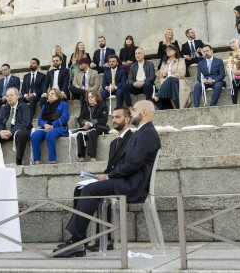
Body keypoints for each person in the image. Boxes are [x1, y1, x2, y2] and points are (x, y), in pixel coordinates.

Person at [56, 101, 161, 257]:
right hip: (128, 181)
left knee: (90, 189)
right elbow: (129, 162)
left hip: (133, 185)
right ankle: (78, 240)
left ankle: (78, 241)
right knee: (86, 187)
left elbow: (133, 163)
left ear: (144, 112)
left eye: (134, 110)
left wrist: (109, 176)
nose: (132, 113)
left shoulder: (147, 133)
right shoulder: (142, 132)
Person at [72, 106, 133, 252]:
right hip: (113, 179)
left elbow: (128, 166)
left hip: (124, 182)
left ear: (127, 119)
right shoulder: (113, 143)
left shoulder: (132, 139)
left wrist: (107, 176)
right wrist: (99, 176)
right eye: (113, 117)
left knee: (91, 189)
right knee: (79, 188)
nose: (114, 120)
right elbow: (110, 167)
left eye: (118, 117)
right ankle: (81, 237)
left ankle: (96, 237)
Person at [0, 87, 32, 165]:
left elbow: (25, 122)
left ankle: (19, 161)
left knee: (21, 133)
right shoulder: (5, 108)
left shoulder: (25, 107)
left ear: (17, 96)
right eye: (7, 96)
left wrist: (11, 132)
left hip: (18, 132)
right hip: (6, 132)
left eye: (11, 95)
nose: (9, 98)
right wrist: (0, 131)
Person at [30, 88, 70, 164]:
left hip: (59, 127)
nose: (50, 96)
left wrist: (52, 125)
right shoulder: (45, 106)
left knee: (50, 133)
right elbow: (40, 120)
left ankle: (52, 159)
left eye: (52, 94)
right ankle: (36, 160)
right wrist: (45, 125)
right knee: (35, 135)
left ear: (58, 95)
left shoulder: (63, 104)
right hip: (46, 127)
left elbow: (65, 118)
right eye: (48, 95)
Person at [75, 91, 110, 162]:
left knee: (92, 133)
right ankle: (82, 156)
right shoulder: (86, 106)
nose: (90, 99)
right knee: (80, 134)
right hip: (87, 127)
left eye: (92, 97)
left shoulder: (103, 106)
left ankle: (93, 156)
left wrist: (91, 124)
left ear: (96, 97)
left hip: (99, 127)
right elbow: (80, 118)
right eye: (88, 97)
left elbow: (103, 119)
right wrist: (85, 122)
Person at [154, 45, 191, 110]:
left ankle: (158, 97)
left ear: (175, 51)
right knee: (169, 84)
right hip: (168, 84)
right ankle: (175, 108)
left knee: (170, 79)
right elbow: (161, 76)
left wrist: (168, 78)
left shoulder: (180, 60)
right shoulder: (164, 63)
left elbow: (181, 73)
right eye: (166, 50)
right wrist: (162, 80)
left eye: (170, 49)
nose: (168, 51)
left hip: (179, 81)